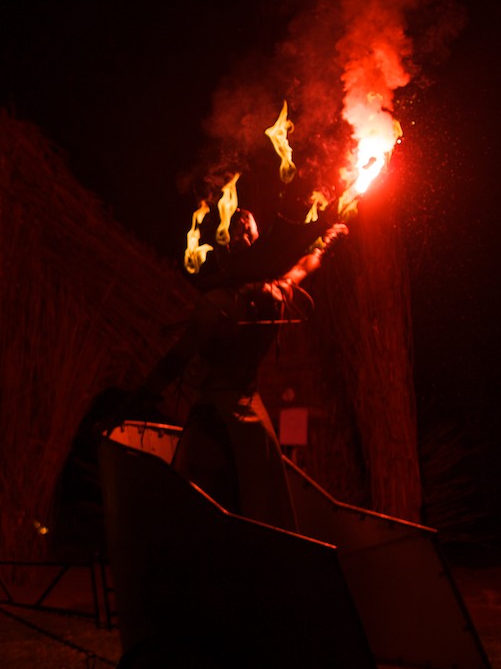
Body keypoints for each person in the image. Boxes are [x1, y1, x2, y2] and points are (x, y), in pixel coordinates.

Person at [138, 208, 347, 530]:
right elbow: (307, 264)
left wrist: (142, 395)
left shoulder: (218, 302)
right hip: (252, 422)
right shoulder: (277, 292)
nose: (239, 236)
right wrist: (330, 238)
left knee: (195, 519)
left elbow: (176, 359)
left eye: (243, 232)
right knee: (260, 511)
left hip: (213, 419)